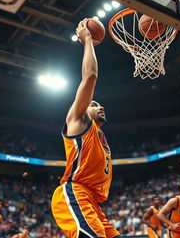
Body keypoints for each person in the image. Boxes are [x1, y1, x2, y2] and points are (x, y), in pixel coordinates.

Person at [51, 19, 120, 238]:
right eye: (93, 103)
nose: (99, 106)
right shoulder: (77, 121)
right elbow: (90, 77)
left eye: (99, 104)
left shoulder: (101, 138)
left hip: (93, 201)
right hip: (74, 192)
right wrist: (88, 39)